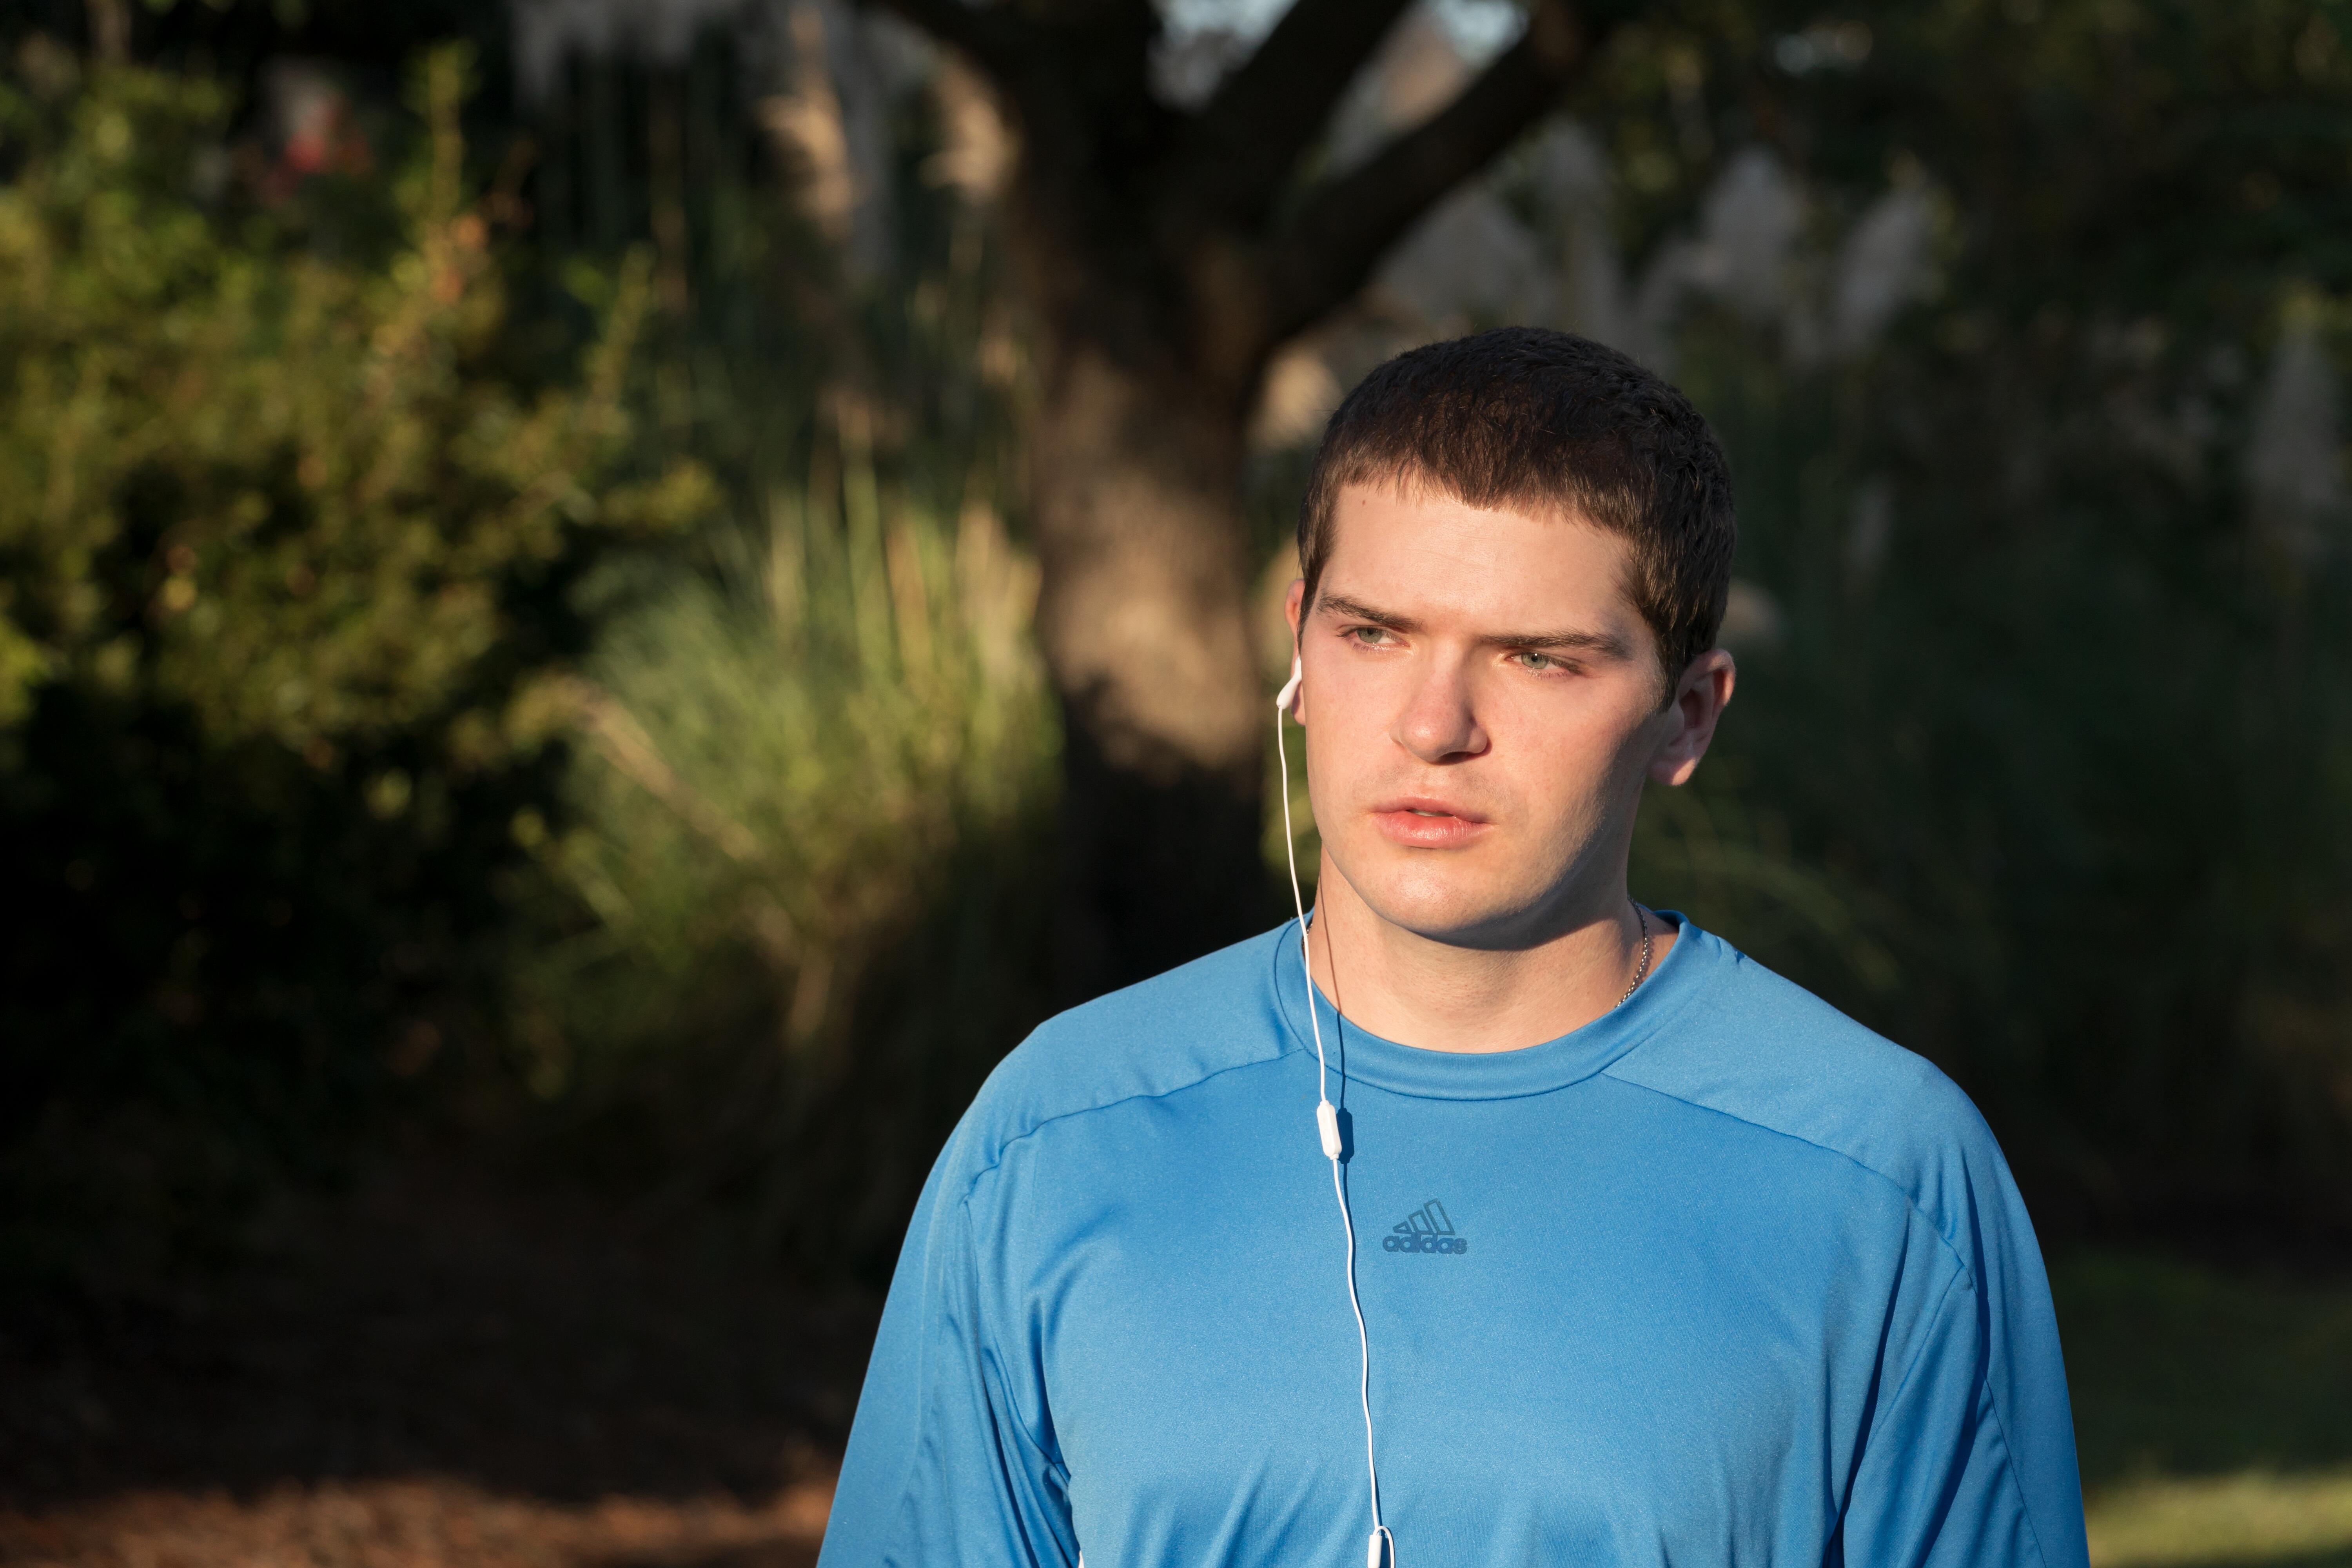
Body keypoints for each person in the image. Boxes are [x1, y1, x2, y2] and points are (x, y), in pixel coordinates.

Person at [816, 328, 2091, 1568]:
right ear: (1298, 645)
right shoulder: (1057, 1133)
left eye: (1538, 659)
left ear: (1686, 717)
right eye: (1374, 635)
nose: (1433, 726)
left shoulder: (1879, 1174)